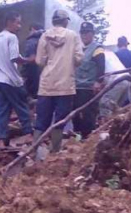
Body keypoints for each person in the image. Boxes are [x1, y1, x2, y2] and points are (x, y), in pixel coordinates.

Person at [34, 9, 83, 152]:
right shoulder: (73, 36)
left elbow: (39, 61)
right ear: (65, 21)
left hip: (46, 85)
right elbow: (79, 59)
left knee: (41, 121)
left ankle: (35, 154)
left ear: (53, 21)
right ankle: (54, 153)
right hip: (65, 85)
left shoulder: (45, 35)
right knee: (60, 122)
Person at [0, 11, 34, 148]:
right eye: (17, 22)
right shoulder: (12, 37)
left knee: (1, 111)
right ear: (9, 22)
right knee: (22, 106)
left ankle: (0, 140)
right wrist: (29, 60)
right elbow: (15, 58)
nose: (19, 26)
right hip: (9, 79)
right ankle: (29, 134)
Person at [73, 22, 106, 140]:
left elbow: (101, 66)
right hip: (77, 87)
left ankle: (87, 138)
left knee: (88, 114)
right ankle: (77, 136)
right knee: (75, 113)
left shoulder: (97, 49)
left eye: (87, 33)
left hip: (88, 88)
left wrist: (98, 81)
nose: (84, 35)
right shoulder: (80, 49)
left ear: (92, 34)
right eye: (82, 33)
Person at [22, 22, 45, 99]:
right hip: (44, 74)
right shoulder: (45, 40)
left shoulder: (31, 41)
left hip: (31, 73)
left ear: (33, 29)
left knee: (28, 98)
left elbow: (32, 58)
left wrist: (21, 60)